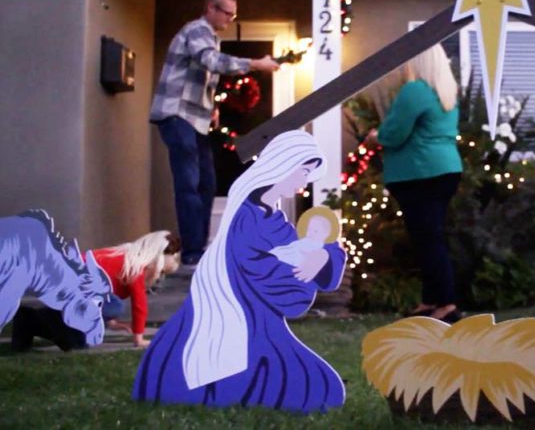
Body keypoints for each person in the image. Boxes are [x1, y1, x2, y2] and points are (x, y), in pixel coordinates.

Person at [133, 130, 347, 412]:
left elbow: (305, 249)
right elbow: (259, 270)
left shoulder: (276, 218)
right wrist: (300, 276)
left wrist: (321, 257)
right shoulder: (246, 217)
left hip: (264, 320)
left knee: (321, 388)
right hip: (242, 316)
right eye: (303, 172)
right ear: (284, 164)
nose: (303, 183)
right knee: (311, 388)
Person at [150, 0, 280, 266]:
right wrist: (255, 63)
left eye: (234, 15)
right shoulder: (197, 30)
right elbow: (210, 61)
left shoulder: (210, 38)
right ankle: (192, 254)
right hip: (176, 114)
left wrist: (213, 108)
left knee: (207, 183)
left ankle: (199, 248)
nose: (231, 19)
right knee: (189, 183)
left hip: (195, 119)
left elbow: (204, 76)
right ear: (211, 8)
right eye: (228, 13)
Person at [367, 44, 463, 323]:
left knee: (427, 239)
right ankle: (431, 300)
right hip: (445, 168)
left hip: (419, 172)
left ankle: (445, 303)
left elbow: (395, 132)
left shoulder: (415, 90)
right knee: (429, 236)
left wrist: (376, 136)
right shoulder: (447, 92)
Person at [11, 230, 181, 351]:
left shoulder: (123, 256)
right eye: (162, 272)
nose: (159, 277)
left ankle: (28, 320)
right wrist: (139, 337)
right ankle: (34, 319)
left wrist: (112, 323)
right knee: (113, 307)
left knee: (76, 340)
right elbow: (139, 304)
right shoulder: (136, 267)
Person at [270, 206, 340, 268]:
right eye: (309, 229)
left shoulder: (319, 245)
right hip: (291, 250)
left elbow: (311, 254)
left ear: (326, 234)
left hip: (298, 257)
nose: (311, 233)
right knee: (279, 252)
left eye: (315, 231)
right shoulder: (304, 239)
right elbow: (293, 244)